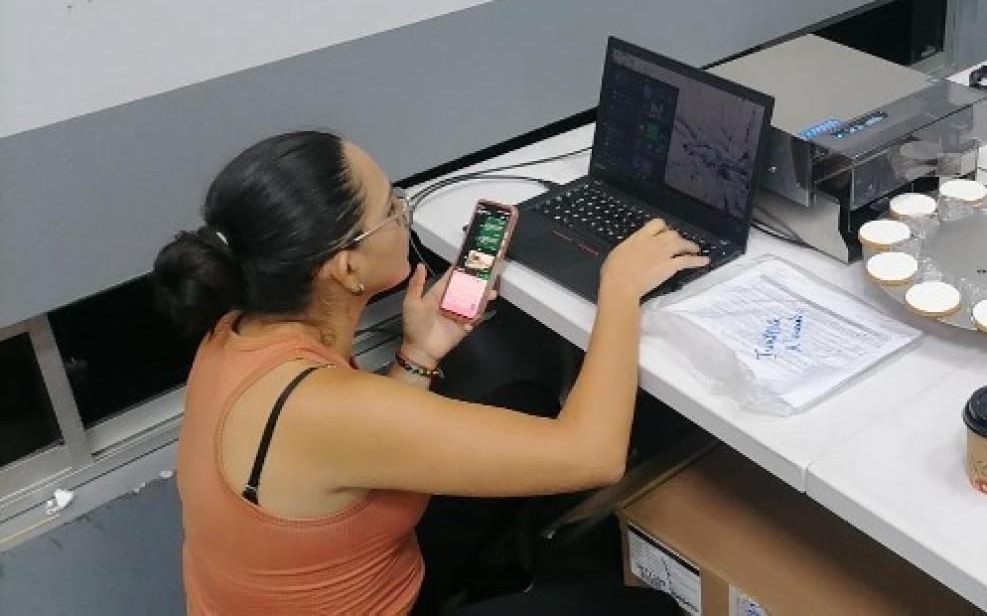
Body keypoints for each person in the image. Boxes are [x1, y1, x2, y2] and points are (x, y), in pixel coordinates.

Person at [153, 131, 701, 613]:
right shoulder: (323, 406)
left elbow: (354, 448)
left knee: (518, 399)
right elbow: (593, 454)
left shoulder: (232, 330)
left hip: (346, 576)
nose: (403, 209)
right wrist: (621, 289)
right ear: (348, 268)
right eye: (390, 208)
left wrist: (419, 353)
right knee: (644, 609)